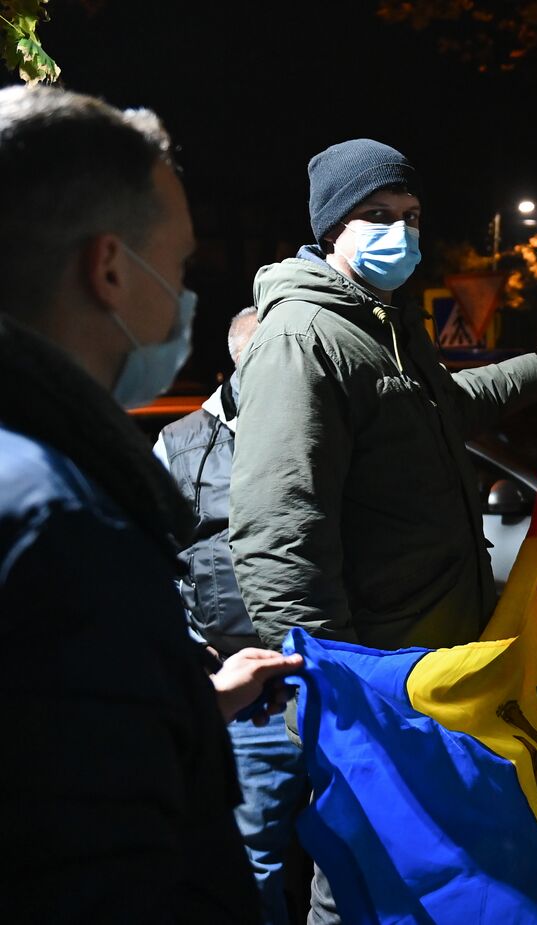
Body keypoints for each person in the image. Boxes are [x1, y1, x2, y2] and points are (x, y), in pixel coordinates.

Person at [228, 137, 537, 921]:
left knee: (416, 874)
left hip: (426, 663)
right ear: (331, 231)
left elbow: (442, 406)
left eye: (412, 216)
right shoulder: (302, 339)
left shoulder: (383, 325)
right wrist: (327, 679)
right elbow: (279, 525)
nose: (402, 233)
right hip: (373, 672)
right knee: (363, 871)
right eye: (377, 215)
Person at [0, 84, 301, 922]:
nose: (183, 296)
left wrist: (189, 703)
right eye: (176, 267)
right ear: (107, 269)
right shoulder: (67, 526)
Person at [157, 307, 310, 925]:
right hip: (250, 702)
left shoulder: (325, 425)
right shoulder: (180, 446)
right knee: (255, 863)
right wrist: (205, 670)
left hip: (338, 681)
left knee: (357, 853)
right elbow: (163, 565)